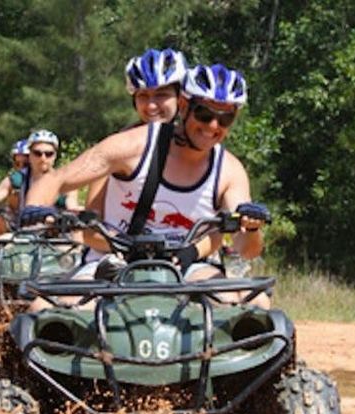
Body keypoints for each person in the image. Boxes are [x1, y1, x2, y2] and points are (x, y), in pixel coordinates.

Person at [22, 63, 271, 299]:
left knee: (235, 302)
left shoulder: (229, 170)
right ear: (184, 107)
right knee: (52, 309)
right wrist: (35, 210)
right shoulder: (132, 145)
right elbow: (57, 179)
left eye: (225, 118)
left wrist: (251, 228)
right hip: (111, 260)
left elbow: (246, 249)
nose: (213, 126)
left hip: (188, 266)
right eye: (204, 114)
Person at [84, 48, 188, 240]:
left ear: (181, 99)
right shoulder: (116, 147)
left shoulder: (200, 148)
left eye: (161, 95)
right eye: (143, 96)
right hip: (120, 255)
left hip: (181, 258)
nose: (151, 106)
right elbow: (91, 226)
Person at [0, 130, 79, 236]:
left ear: (55, 156)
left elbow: (72, 204)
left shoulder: (66, 181)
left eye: (48, 154)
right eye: (37, 153)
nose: (43, 158)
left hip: (57, 239)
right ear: (30, 154)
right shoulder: (17, 180)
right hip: (21, 236)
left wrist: (72, 213)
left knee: (76, 249)